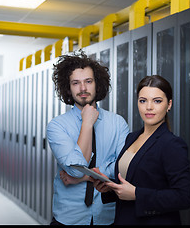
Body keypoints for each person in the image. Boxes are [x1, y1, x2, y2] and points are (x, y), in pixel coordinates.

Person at [92, 75, 190, 225]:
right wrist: (110, 188)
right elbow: (135, 180)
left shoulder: (172, 144)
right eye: (143, 101)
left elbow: (184, 197)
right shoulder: (131, 138)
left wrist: (137, 194)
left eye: (157, 101)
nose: (149, 107)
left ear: (169, 104)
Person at [46, 51, 129, 225]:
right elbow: (75, 169)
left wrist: (83, 177)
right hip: (69, 217)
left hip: (107, 216)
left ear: (97, 85)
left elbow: (122, 169)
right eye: (76, 83)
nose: (83, 88)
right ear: (68, 88)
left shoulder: (118, 123)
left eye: (88, 81)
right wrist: (87, 123)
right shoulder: (57, 126)